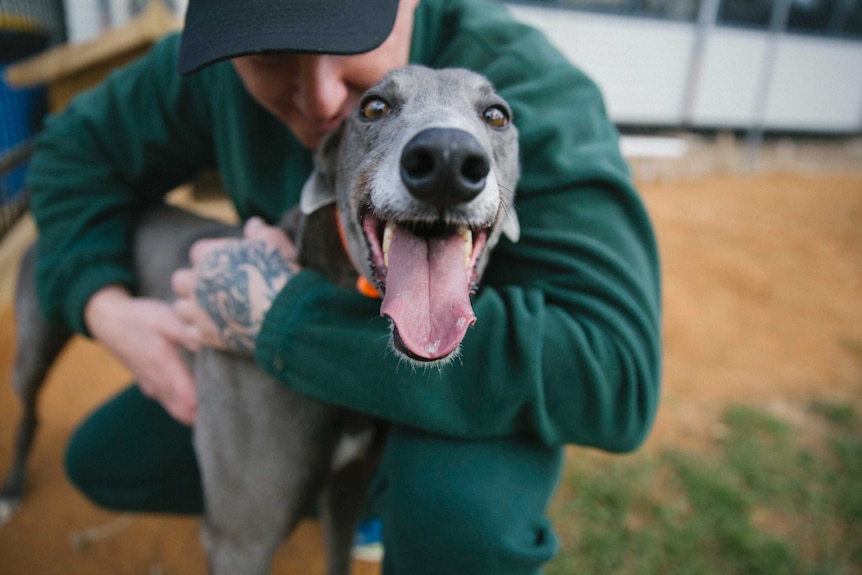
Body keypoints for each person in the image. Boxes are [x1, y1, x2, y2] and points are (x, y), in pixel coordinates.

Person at [25, 0, 662, 572]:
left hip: (477, 377)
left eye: (347, 38)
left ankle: (382, 486)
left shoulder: (535, 88)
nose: (325, 100)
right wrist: (103, 308)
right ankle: (314, 477)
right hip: (284, 348)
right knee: (106, 462)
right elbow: (69, 154)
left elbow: (616, 373)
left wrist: (284, 319)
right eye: (271, 56)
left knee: (459, 517)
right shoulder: (216, 62)